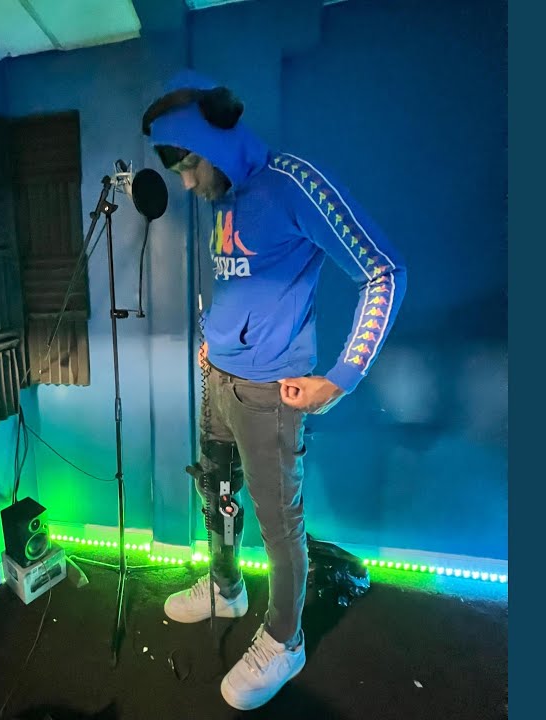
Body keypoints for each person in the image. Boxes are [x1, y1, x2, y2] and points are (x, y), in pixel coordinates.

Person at [141, 70, 407, 711]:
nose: (186, 184)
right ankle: (225, 587)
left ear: (216, 144)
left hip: (269, 396)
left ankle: (286, 641)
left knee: (279, 525)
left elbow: (384, 270)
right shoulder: (222, 198)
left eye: (189, 165)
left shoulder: (293, 184)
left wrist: (341, 377)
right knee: (216, 489)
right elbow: (240, 281)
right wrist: (213, 337)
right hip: (217, 381)